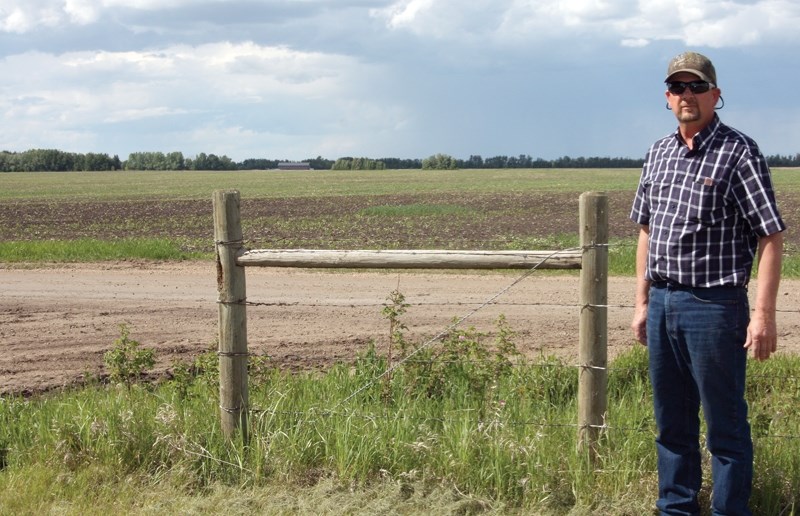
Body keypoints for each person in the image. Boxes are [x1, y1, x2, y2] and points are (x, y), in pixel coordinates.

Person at [629, 51, 785, 515]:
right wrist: (641, 303)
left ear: (716, 94)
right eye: (678, 88)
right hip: (662, 303)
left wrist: (763, 316)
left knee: (725, 427)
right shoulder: (658, 152)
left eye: (696, 87)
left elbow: (770, 235)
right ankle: (676, 508)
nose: (687, 96)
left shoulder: (739, 151)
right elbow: (645, 230)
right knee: (670, 424)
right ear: (667, 97)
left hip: (714, 307)